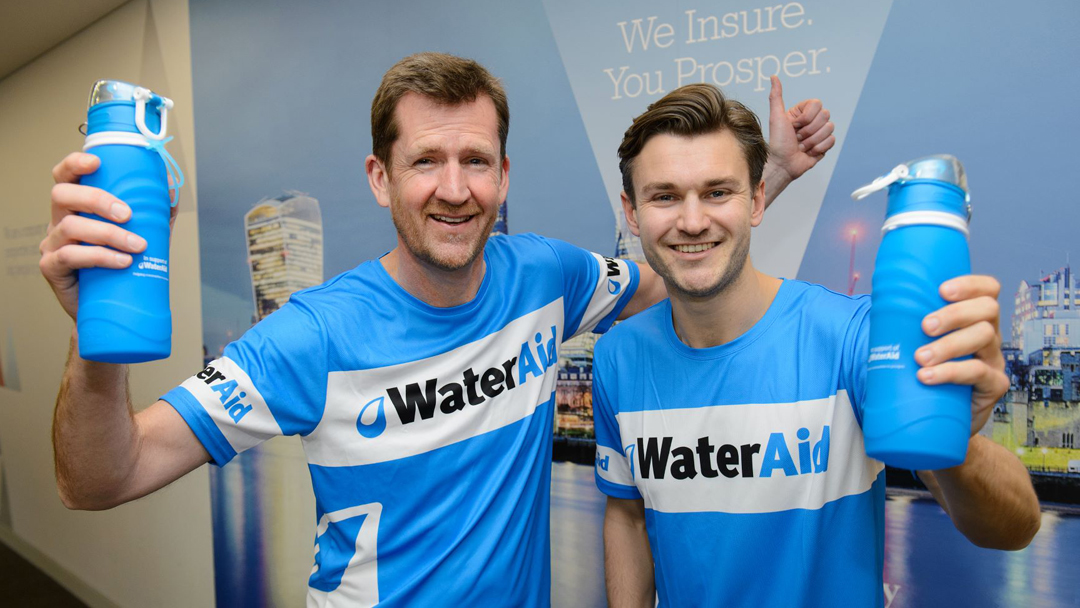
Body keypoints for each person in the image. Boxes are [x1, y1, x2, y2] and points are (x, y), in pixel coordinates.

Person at [40, 54, 834, 606]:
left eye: (476, 161)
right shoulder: (312, 337)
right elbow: (100, 478)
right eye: (426, 162)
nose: (454, 190)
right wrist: (93, 342)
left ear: (503, 176)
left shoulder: (548, 277)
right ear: (380, 178)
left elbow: (679, 261)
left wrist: (774, 176)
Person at [592, 83, 1042, 608]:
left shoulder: (854, 338)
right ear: (632, 211)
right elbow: (627, 515)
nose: (692, 221)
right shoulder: (617, 358)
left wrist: (956, 445)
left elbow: (1014, 529)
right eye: (665, 196)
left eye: (718, 192)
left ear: (757, 198)